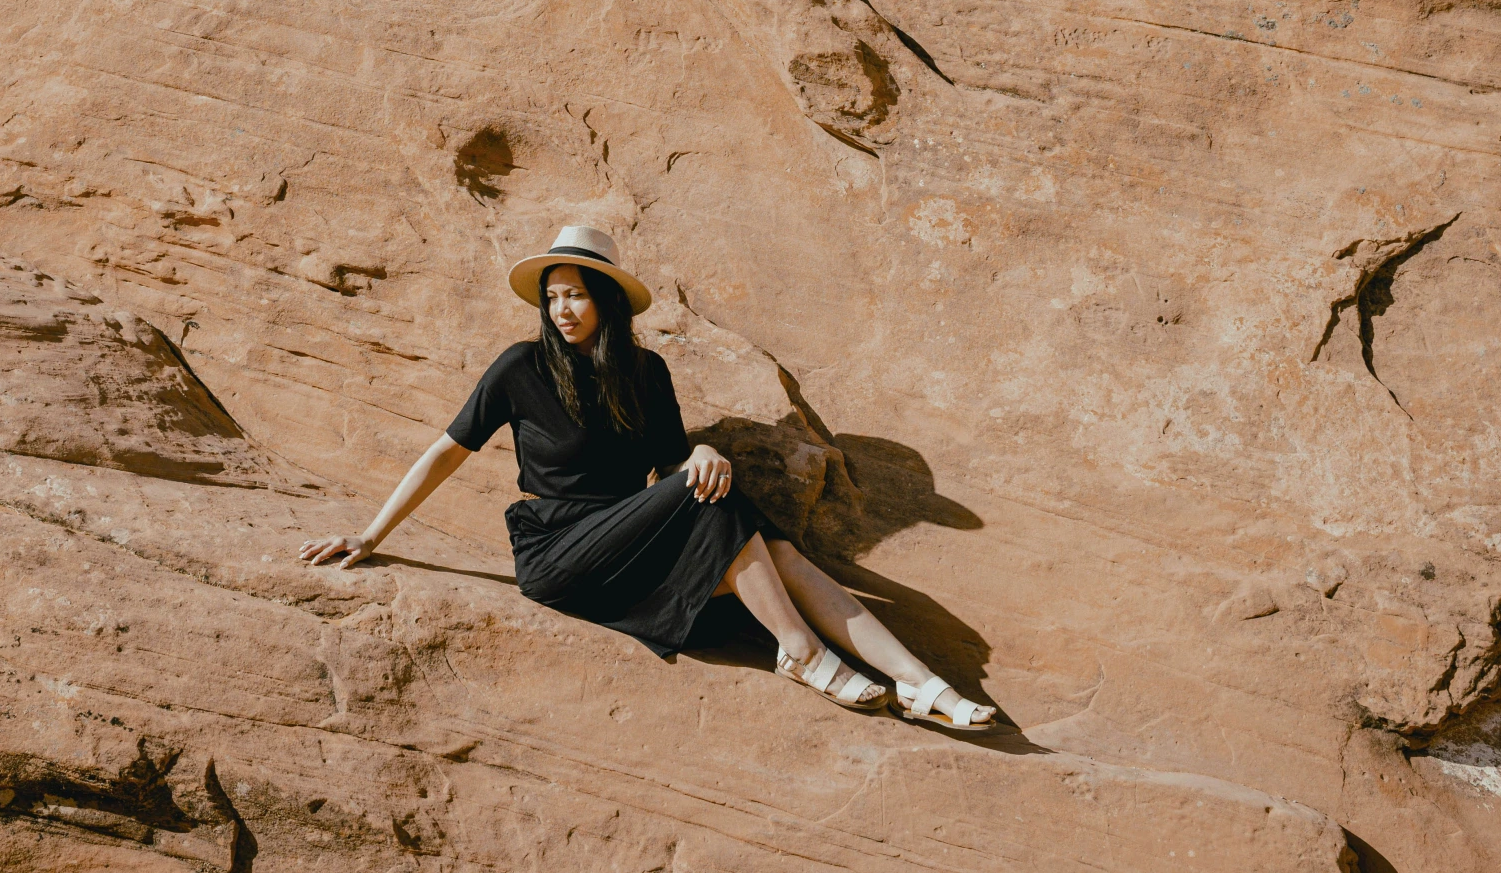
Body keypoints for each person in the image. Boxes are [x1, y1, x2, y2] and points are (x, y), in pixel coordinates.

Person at [299, 225, 997, 731]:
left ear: (606, 298)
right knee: (721, 505)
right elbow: (446, 451)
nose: (561, 310)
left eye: (575, 295)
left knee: (761, 534)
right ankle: (802, 650)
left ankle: (921, 683)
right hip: (558, 549)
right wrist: (368, 532)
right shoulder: (519, 366)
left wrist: (695, 456)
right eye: (553, 298)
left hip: (634, 540)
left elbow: (668, 467)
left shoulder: (645, 372)